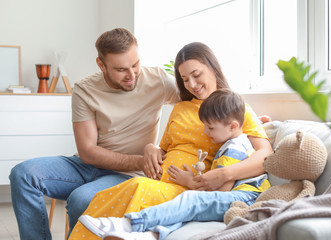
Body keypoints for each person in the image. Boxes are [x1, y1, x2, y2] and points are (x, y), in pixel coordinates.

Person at [68, 42, 273, 240]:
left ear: (212, 67)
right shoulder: (181, 108)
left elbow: (265, 155)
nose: (192, 84)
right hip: (159, 179)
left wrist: (224, 174)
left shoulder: (236, 110)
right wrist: (151, 148)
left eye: (196, 75)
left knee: (137, 187)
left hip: (189, 188)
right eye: (184, 79)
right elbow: (164, 148)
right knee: (109, 195)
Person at [9, 28, 179, 240]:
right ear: (101, 65)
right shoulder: (85, 89)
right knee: (23, 174)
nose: (132, 75)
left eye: (135, 65)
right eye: (120, 69)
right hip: (86, 165)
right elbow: (88, 152)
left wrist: (159, 149)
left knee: (81, 198)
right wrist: (141, 160)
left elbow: (200, 101)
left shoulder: (159, 80)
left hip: (125, 175)